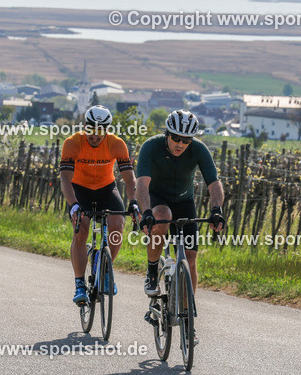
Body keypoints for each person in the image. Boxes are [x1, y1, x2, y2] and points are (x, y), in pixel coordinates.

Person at [137, 109, 226, 303]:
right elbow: (142, 184)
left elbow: (214, 183)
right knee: (163, 214)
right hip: (157, 198)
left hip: (185, 202)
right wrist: (145, 212)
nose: (180, 144)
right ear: (167, 134)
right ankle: (152, 270)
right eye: (176, 138)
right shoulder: (151, 147)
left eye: (186, 140)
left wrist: (217, 210)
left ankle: (187, 318)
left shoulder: (199, 149)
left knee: (191, 259)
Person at [59, 105, 139, 306]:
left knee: (118, 224)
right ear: (84, 126)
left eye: (101, 130)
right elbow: (65, 180)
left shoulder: (117, 144)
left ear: (108, 129)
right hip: (80, 189)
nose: (95, 135)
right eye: (90, 129)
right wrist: (74, 205)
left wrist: (134, 203)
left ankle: (106, 270)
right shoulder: (72, 143)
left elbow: (129, 179)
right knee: (81, 228)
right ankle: (79, 283)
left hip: (106, 188)